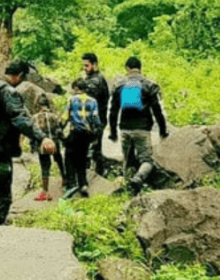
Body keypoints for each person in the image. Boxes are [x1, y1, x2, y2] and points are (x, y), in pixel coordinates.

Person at [0, 60, 53, 226]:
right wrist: (41, 137)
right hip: (0, 147)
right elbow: (20, 119)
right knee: (3, 190)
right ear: (19, 77)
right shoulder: (10, 93)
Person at [108, 56, 169, 195]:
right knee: (147, 161)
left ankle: (127, 191)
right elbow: (157, 110)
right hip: (142, 128)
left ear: (127, 68)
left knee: (128, 160)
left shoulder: (119, 86)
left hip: (124, 129)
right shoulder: (148, 85)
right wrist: (163, 130)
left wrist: (113, 131)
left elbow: (113, 111)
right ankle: (138, 178)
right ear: (140, 69)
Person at [61, 79, 101, 198]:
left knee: (69, 157)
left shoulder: (72, 99)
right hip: (86, 135)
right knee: (82, 158)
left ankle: (71, 183)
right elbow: (96, 120)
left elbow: (65, 117)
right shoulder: (93, 101)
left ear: (76, 88)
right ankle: (83, 183)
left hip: (75, 133)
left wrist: (60, 130)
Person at [31, 94, 64, 201]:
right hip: (54, 142)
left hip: (42, 145)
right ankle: (65, 178)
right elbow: (59, 130)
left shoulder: (35, 117)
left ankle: (45, 191)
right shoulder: (54, 116)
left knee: (45, 167)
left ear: (39, 106)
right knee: (59, 159)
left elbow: (33, 133)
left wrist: (32, 146)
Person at [81, 52, 110, 175]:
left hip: (95, 120)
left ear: (95, 64)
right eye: (83, 66)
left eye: (87, 66)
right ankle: (98, 172)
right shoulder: (94, 79)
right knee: (94, 148)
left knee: (92, 148)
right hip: (96, 119)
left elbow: (89, 102)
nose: (85, 68)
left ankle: (93, 174)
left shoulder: (96, 81)